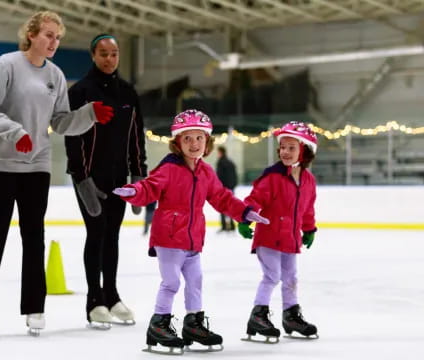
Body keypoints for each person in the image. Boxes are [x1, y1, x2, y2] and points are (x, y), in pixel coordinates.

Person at [0, 11, 113, 336]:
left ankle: (34, 307)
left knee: (34, 237)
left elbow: (59, 122)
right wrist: (15, 132)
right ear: (31, 34)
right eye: (48, 35)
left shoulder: (56, 75)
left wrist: (88, 115)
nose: (53, 42)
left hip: (37, 164)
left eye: (58, 37)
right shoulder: (6, 65)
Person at [112, 109, 270, 354]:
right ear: (177, 143)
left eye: (199, 138)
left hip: (193, 239)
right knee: (171, 282)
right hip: (168, 237)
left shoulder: (205, 171)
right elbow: (150, 187)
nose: (194, 144)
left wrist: (245, 212)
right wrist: (134, 192)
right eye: (187, 138)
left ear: (207, 142)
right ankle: (159, 324)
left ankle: (193, 323)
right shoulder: (169, 169)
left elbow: (221, 197)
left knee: (195, 281)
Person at [64, 34, 147, 327]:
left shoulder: (128, 93)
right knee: (96, 233)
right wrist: (81, 177)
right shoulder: (81, 91)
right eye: (103, 53)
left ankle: (112, 295)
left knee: (112, 236)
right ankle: (94, 300)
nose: (109, 59)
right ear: (93, 55)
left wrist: (139, 175)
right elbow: (72, 138)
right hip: (89, 178)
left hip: (119, 178)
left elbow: (137, 137)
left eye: (114, 53)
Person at [238, 121, 319, 342]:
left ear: (305, 150)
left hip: (290, 239)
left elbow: (307, 209)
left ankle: (291, 316)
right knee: (272, 276)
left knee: (291, 277)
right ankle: (258, 315)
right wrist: (245, 216)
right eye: (282, 147)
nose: (284, 151)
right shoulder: (273, 177)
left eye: (291, 147)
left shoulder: (308, 181)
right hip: (268, 236)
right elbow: (255, 199)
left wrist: (309, 229)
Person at [216, 146, 238, 232]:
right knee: (230, 206)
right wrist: (233, 186)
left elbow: (219, 176)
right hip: (231, 188)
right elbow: (235, 176)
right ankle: (232, 225)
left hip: (223, 188)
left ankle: (224, 225)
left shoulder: (221, 163)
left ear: (221, 152)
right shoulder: (230, 162)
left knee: (222, 207)